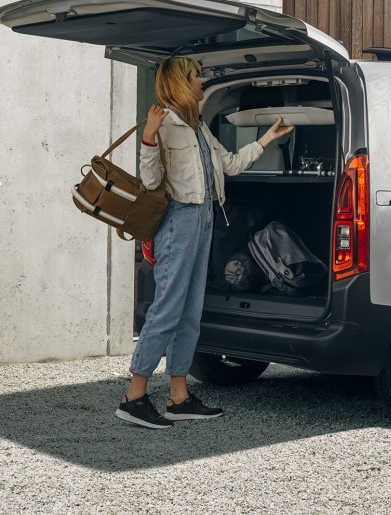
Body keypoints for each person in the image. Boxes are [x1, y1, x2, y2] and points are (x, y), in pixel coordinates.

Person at [117, 56, 293, 429]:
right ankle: (134, 396)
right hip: (178, 220)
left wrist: (266, 140)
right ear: (181, 81)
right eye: (197, 75)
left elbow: (228, 165)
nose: (202, 80)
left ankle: (178, 397)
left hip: (204, 219)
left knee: (190, 313)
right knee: (167, 309)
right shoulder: (163, 123)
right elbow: (150, 183)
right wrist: (148, 139)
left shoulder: (197, 127)